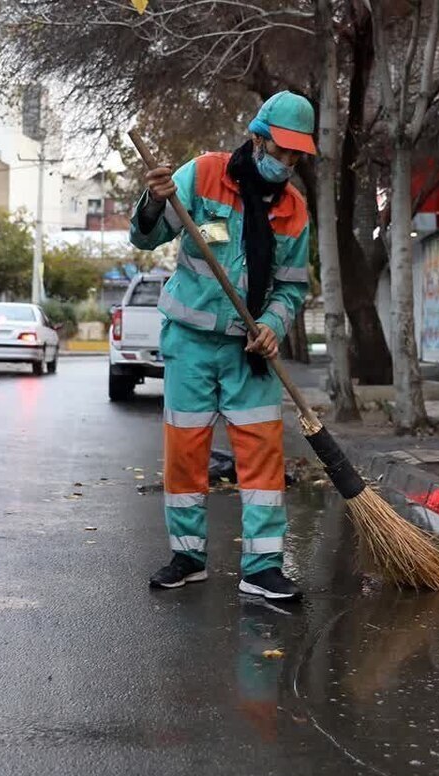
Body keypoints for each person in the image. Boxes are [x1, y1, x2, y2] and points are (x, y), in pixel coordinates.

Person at [130, 91, 315, 601]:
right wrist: (156, 199)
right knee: (186, 452)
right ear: (257, 138)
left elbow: (293, 286)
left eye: (296, 155)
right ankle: (187, 557)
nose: (287, 163)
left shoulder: (294, 210)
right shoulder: (203, 174)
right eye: (281, 151)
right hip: (189, 343)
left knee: (262, 459)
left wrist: (274, 323)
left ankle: (262, 567)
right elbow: (145, 238)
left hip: (249, 352)